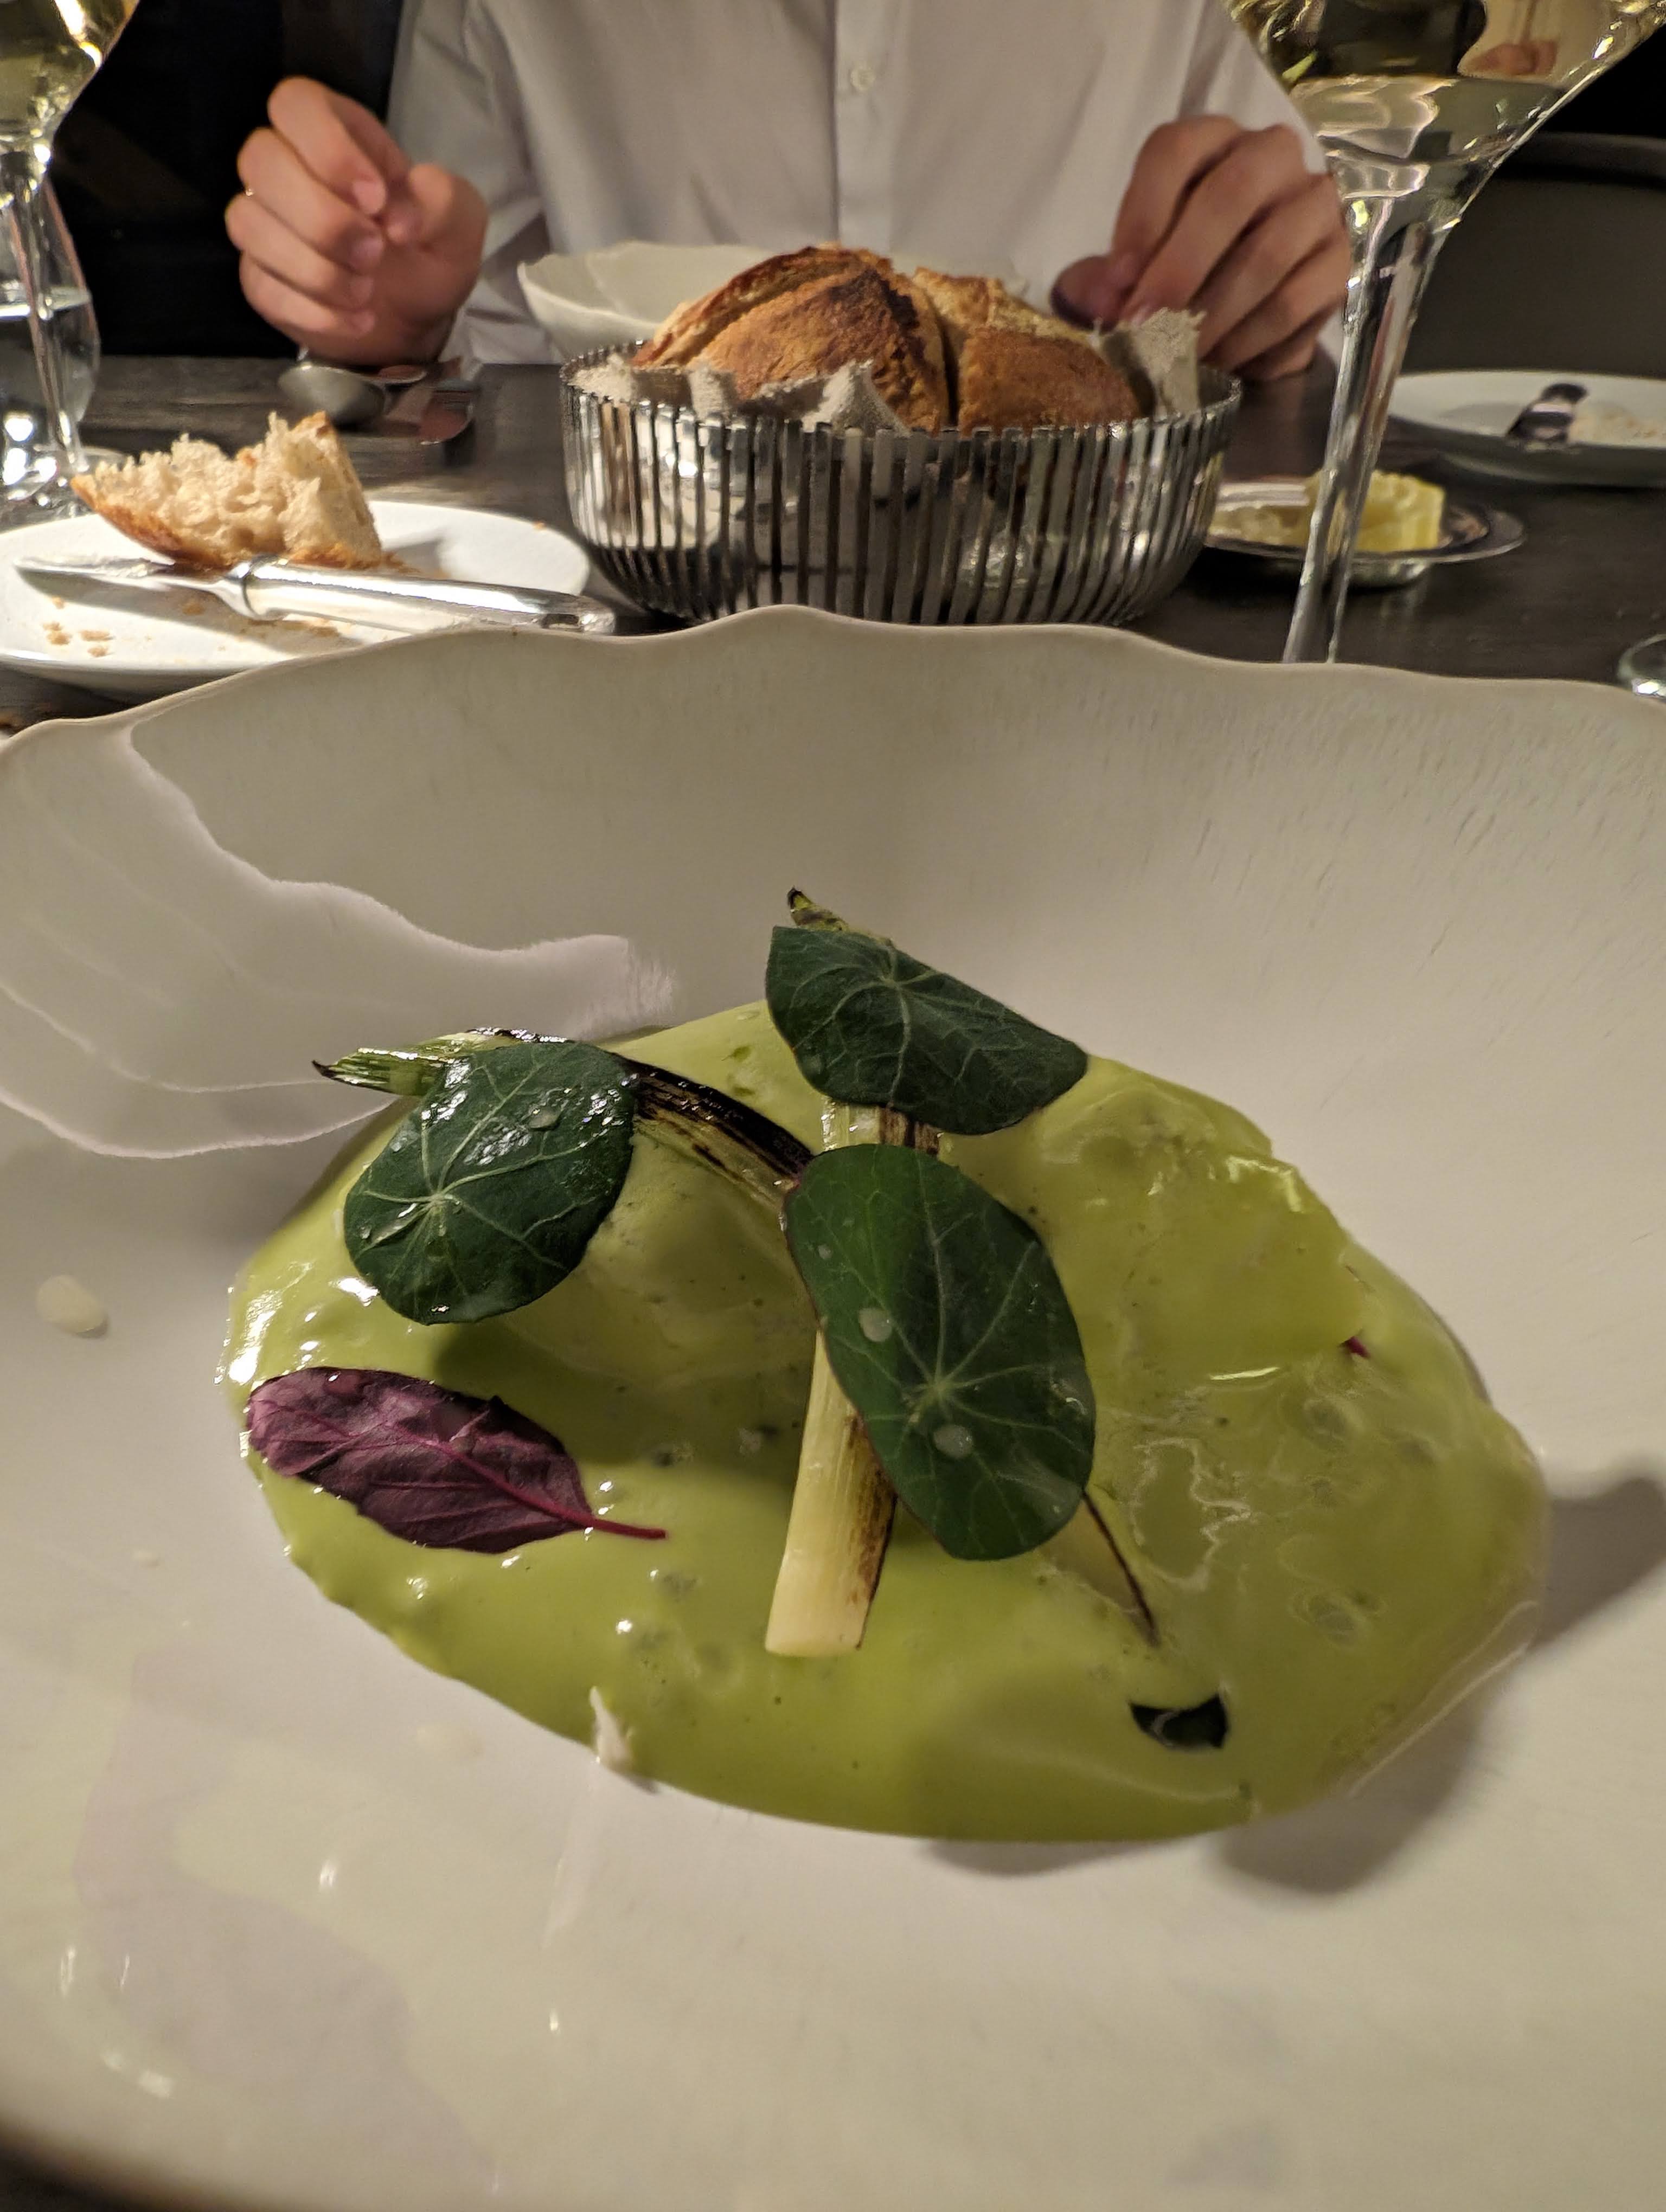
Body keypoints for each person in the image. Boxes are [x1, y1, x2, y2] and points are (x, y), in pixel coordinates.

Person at [227, 0, 1349, 382]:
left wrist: (1278, 299)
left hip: (1102, 652)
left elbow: (1302, 307)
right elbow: (486, 379)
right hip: (644, 675)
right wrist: (402, 343)